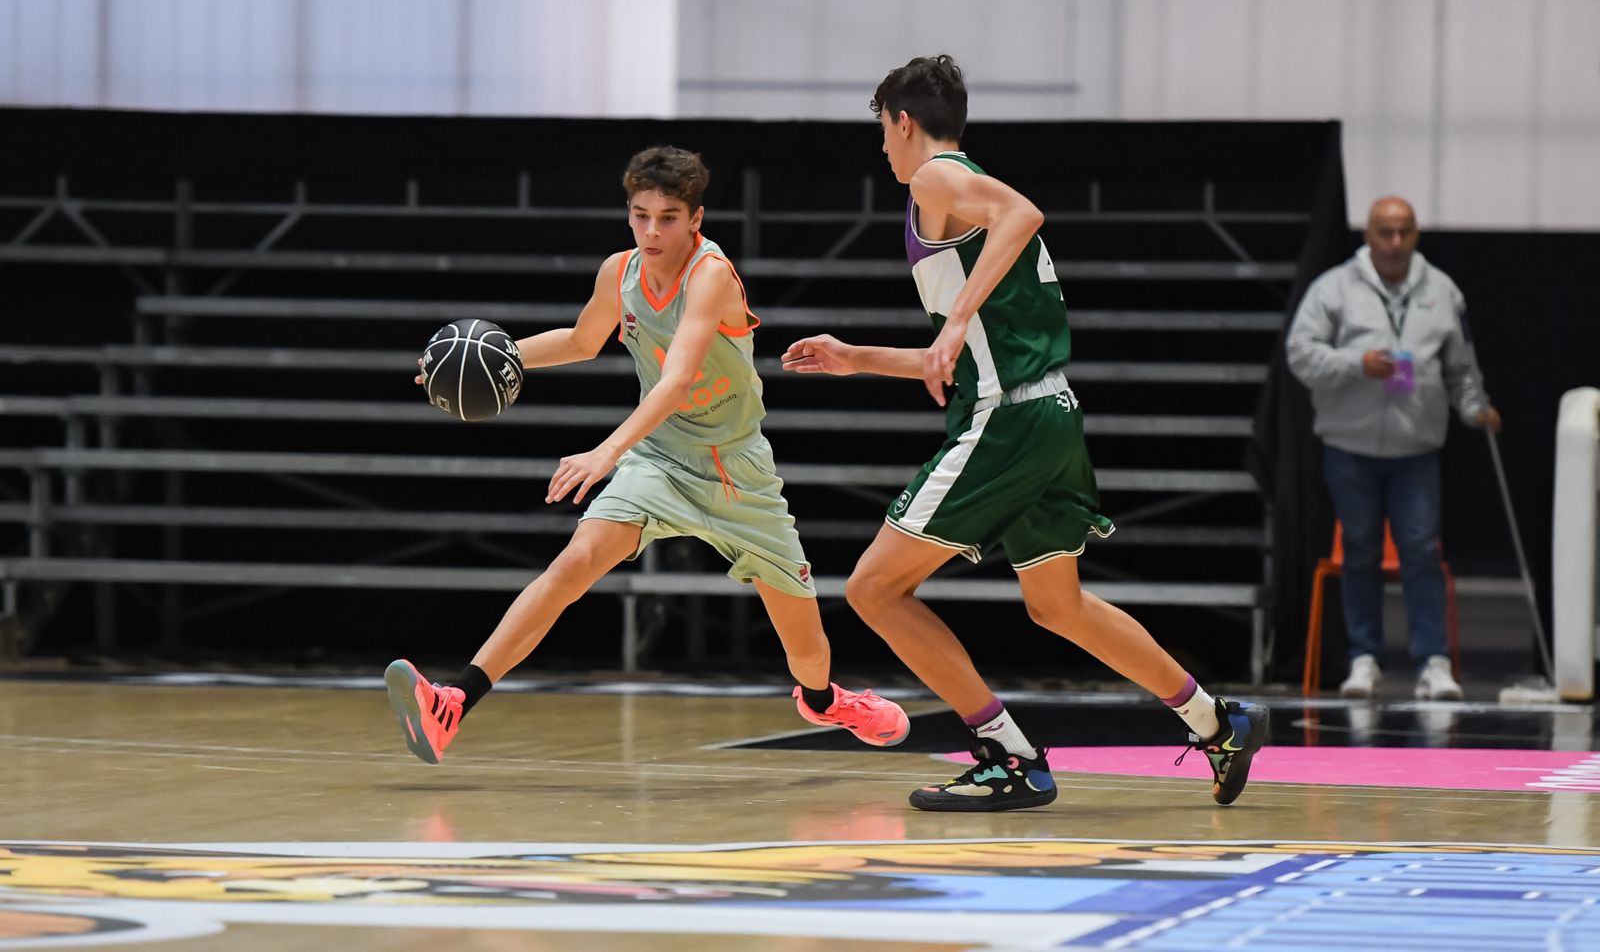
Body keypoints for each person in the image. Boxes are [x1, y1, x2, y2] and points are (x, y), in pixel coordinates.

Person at [780, 55, 1268, 812]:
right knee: (1058, 606)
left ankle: (1006, 754)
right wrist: (857, 357)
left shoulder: (936, 177)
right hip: (1048, 412)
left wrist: (956, 320)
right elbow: (968, 356)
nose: (882, 148)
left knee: (875, 589)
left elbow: (1024, 215)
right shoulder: (956, 190)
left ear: (903, 122)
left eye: (881, 130)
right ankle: (1217, 722)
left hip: (1009, 419)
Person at [385, 145, 908, 763]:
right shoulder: (620, 272)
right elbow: (582, 340)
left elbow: (677, 381)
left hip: (735, 469)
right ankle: (453, 703)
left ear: (696, 219)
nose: (652, 231)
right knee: (573, 565)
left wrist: (605, 452)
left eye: (667, 218)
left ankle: (823, 701)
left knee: (807, 650)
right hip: (658, 457)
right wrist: (479, 362)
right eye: (641, 216)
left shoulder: (710, 274)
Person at [1287, 195, 1500, 701]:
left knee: (1422, 551)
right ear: (1368, 234)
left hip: (1415, 449)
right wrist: (1356, 364)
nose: (1395, 242)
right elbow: (1300, 354)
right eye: (1385, 232)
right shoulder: (1334, 288)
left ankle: (1433, 661)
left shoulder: (1442, 290)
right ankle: (1364, 658)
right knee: (1360, 550)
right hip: (1350, 445)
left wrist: (1475, 407)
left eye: (1405, 232)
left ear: (1417, 234)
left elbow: (1461, 365)